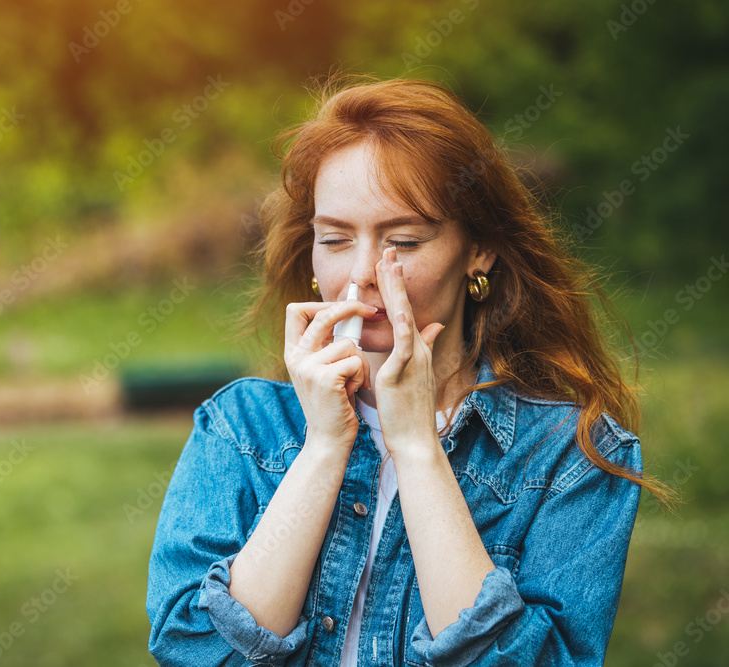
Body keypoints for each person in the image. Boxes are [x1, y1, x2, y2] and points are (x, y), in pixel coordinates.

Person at [145, 75, 674, 666]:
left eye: (404, 239)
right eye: (336, 239)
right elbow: (195, 651)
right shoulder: (240, 428)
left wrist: (417, 447)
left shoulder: (570, 455)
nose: (364, 273)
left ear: (479, 250)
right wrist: (323, 446)